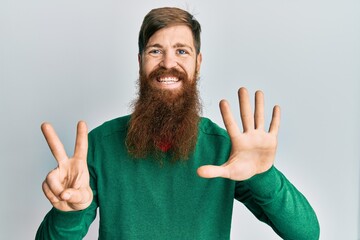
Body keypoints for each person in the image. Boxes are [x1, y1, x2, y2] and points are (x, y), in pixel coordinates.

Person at [36, 7, 320, 240]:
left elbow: (306, 234)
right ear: (140, 62)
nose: (168, 63)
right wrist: (68, 213)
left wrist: (263, 175)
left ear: (198, 63)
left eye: (181, 51)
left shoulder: (226, 150)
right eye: (155, 51)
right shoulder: (99, 145)